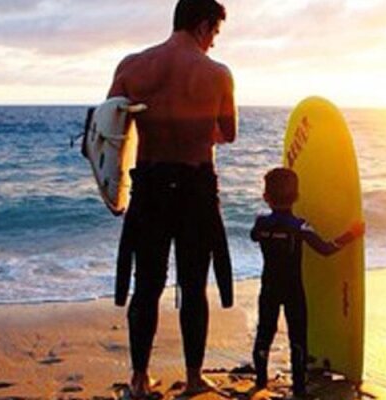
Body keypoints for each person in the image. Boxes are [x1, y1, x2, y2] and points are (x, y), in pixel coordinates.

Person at [106, 0, 236, 396]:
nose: (213, 43)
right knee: (193, 286)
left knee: (147, 286)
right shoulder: (217, 74)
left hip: (149, 187)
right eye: (214, 33)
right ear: (202, 26)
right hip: (196, 189)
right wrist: (195, 129)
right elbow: (227, 132)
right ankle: (195, 378)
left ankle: (140, 379)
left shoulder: (132, 66)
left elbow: (111, 128)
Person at [250, 168, 364, 398]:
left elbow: (254, 236)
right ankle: (299, 387)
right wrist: (351, 234)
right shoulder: (300, 226)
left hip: (269, 288)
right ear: (297, 197)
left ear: (266, 197)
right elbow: (326, 249)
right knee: (297, 336)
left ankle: (260, 381)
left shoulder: (261, 224)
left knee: (264, 332)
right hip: (293, 289)